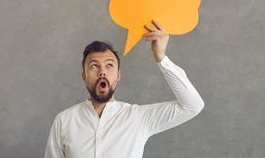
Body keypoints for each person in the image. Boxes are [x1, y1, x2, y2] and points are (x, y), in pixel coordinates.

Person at [45, 20, 205, 158]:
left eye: (109, 65)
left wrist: (161, 58)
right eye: (94, 66)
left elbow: (192, 105)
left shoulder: (138, 118)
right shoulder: (64, 120)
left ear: (118, 75)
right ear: (84, 76)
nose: (102, 71)